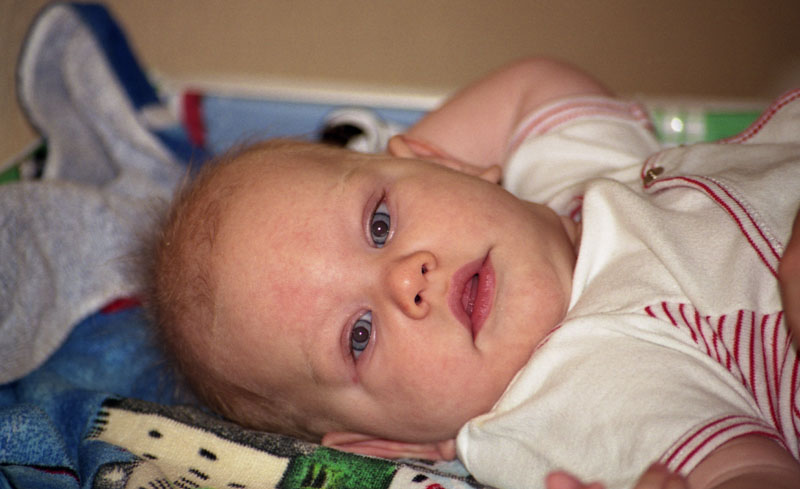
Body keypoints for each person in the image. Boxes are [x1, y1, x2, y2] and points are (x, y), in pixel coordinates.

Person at [148, 57, 800, 489]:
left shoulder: (573, 180)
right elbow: (747, 471)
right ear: (384, 441)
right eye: (359, 336)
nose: (405, 280)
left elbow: (532, 86)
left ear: (444, 161)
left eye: (380, 223)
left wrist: (432, 172)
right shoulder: (571, 404)